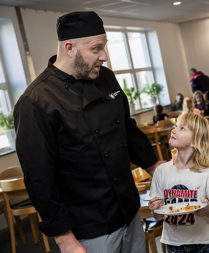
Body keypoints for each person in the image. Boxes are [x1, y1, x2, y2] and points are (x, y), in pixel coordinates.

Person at [13, 11, 160, 253]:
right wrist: (64, 239)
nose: (104, 57)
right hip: (88, 226)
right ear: (69, 47)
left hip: (129, 208)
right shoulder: (36, 102)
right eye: (96, 49)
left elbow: (126, 129)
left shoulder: (107, 78)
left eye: (105, 47)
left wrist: (155, 167)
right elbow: (40, 179)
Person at [148, 113, 209, 253]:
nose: (173, 130)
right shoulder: (161, 172)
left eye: (182, 128)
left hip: (204, 245)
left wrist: (208, 211)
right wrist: (155, 208)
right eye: (176, 126)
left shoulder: (207, 174)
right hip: (173, 245)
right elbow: (158, 216)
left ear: (195, 141)